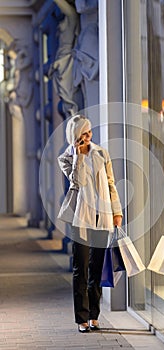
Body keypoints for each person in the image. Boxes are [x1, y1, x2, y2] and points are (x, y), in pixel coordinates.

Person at [57, 114, 123, 333]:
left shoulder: (102, 153)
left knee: (96, 269)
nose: (88, 136)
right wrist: (78, 157)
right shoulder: (65, 158)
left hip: (103, 218)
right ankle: (81, 319)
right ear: (75, 136)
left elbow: (111, 184)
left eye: (89, 132)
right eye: (83, 133)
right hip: (82, 220)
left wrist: (116, 211)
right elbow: (77, 182)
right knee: (80, 270)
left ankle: (94, 316)